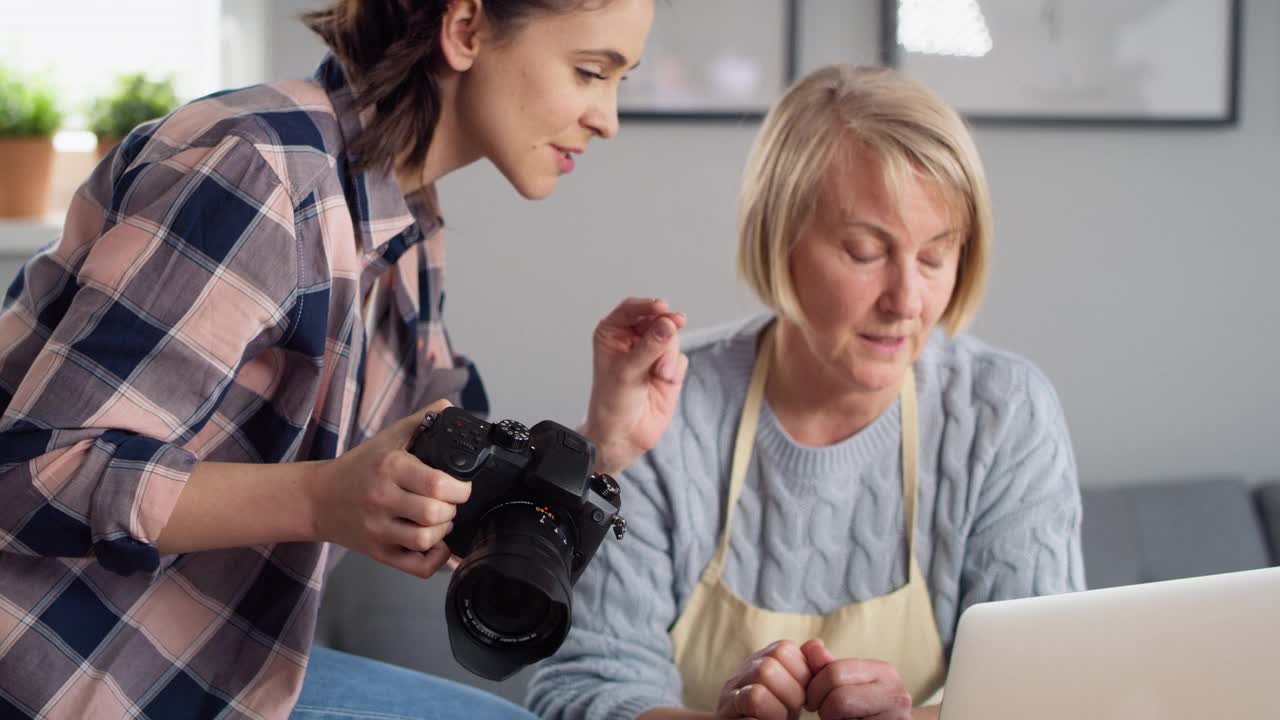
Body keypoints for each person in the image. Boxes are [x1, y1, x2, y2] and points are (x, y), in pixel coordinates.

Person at [0, 1, 683, 719]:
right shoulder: (257, 171)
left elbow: (443, 473)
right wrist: (323, 499)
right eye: (588, 72)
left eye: (620, 81)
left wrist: (602, 439)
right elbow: (33, 471)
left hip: (217, 672)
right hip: (51, 679)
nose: (607, 118)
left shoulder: (404, 219)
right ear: (466, 30)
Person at [526, 64, 1085, 720]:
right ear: (779, 237)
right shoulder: (665, 413)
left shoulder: (1003, 415)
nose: (907, 301)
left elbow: (1046, 693)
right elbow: (582, 689)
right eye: (864, 251)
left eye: (936, 257)